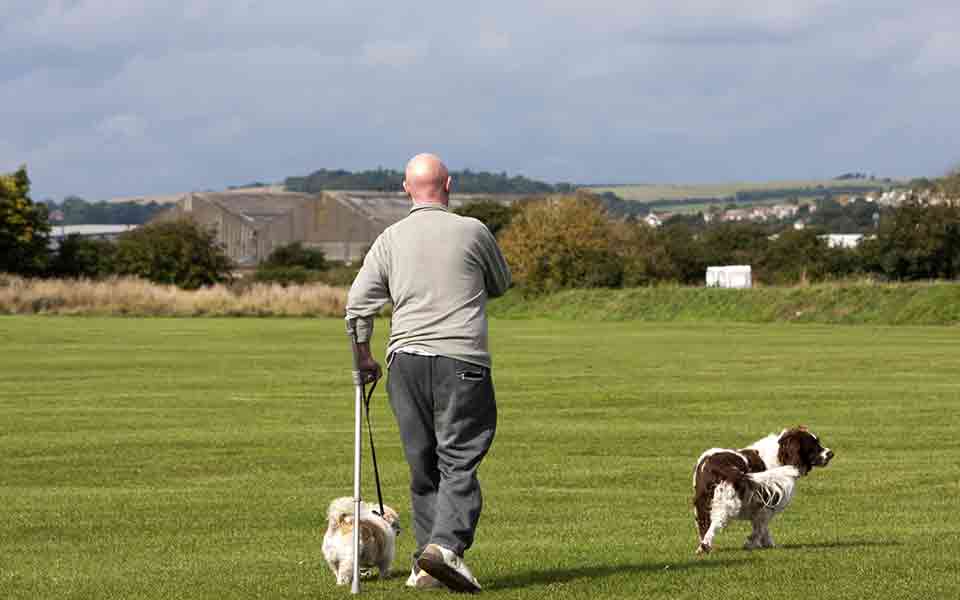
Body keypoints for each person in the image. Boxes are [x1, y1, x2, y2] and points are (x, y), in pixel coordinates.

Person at [345, 153, 511, 592]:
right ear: (449, 185)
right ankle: (445, 548)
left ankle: (427, 563)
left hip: (405, 362)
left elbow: (358, 302)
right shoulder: (474, 231)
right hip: (463, 360)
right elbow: (500, 283)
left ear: (406, 189)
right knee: (459, 459)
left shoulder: (389, 238)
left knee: (423, 465)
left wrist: (363, 354)